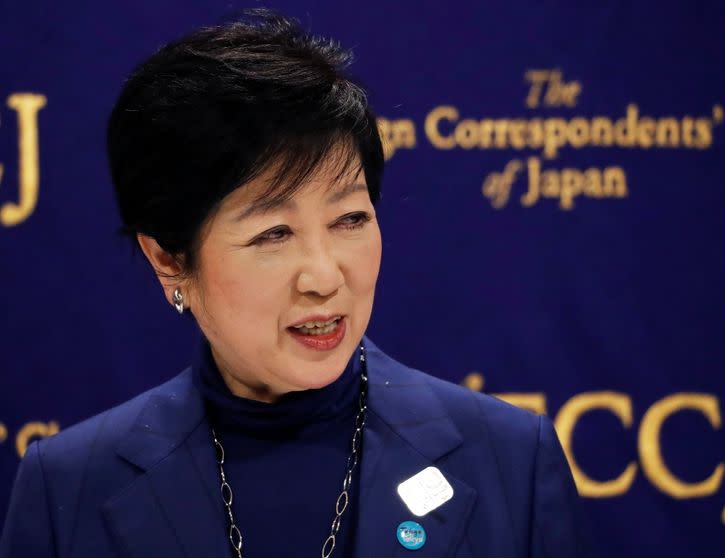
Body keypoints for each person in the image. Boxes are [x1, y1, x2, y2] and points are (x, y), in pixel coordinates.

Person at [0, 9, 586, 557]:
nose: (326, 276)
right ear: (169, 259)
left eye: (350, 219)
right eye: (274, 234)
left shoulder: (511, 463)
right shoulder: (68, 489)